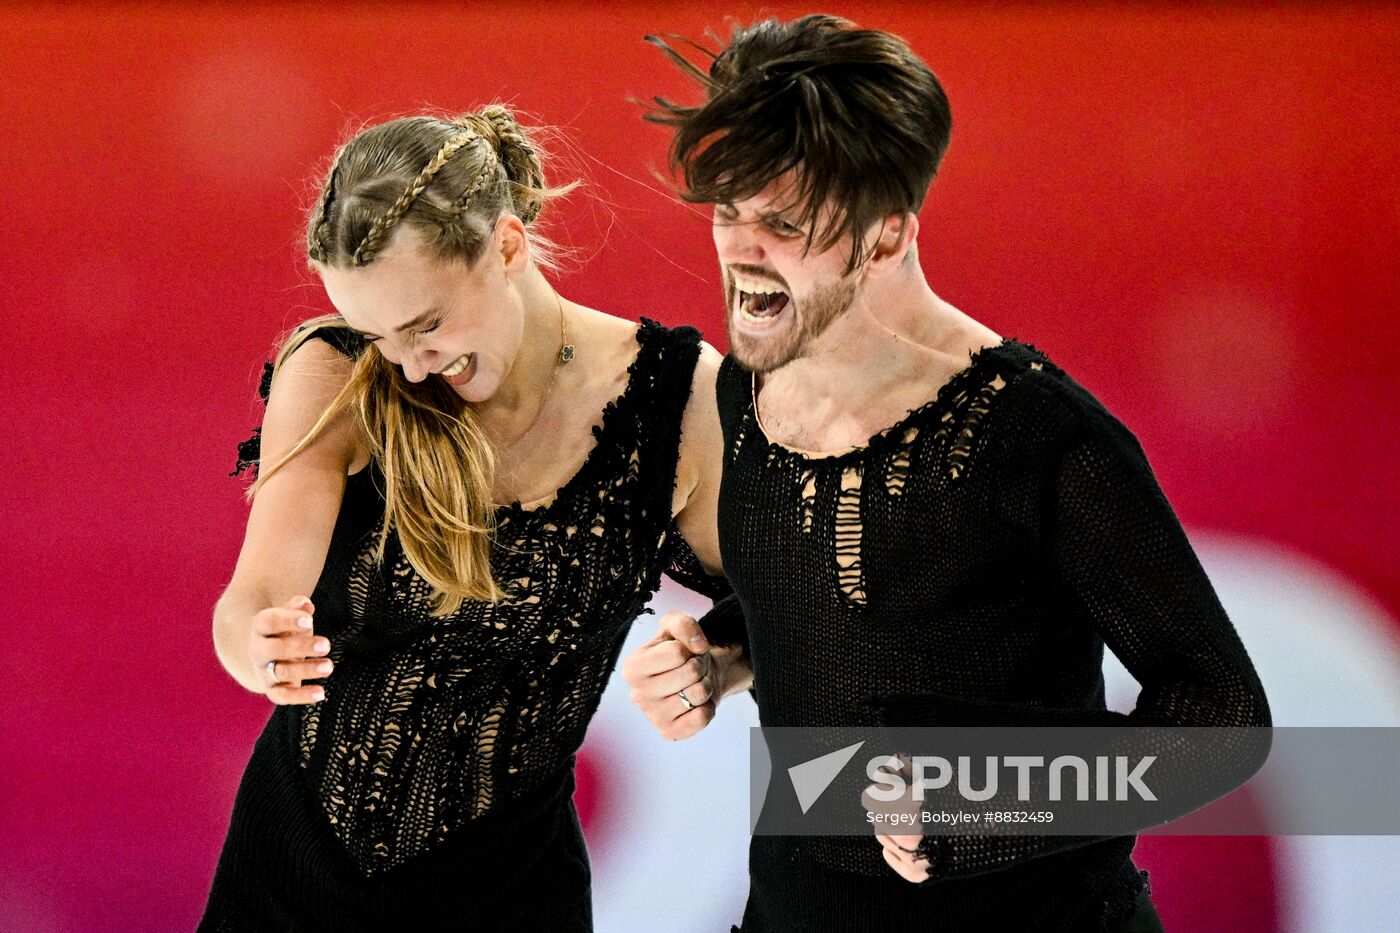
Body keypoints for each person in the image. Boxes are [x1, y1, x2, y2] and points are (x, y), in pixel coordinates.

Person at [621, 15, 1271, 932]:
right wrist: (727, 655)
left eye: (783, 223)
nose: (739, 249)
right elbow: (863, 614)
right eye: (729, 212)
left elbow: (1222, 719)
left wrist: (986, 796)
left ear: (887, 239)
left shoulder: (1040, 435)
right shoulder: (741, 397)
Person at [202, 105, 751, 931]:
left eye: (426, 325)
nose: (410, 364)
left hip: (514, 893)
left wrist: (719, 664)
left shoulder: (676, 401)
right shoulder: (338, 372)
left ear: (506, 245)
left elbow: (775, 610)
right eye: (380, 335)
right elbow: (251, 599)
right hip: (295, 875)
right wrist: (258, 647)